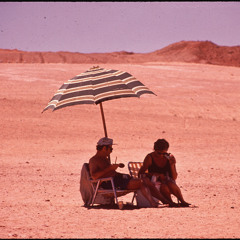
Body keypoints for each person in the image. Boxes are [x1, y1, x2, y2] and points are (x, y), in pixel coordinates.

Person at [89, 137, 174, 208]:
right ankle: (154, 203)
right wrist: (110, 168)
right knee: (141, 182)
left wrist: (114, 168)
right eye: (110, 149)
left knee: (145, 180)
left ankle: (163, 201)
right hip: (110, 183)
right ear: (104, 148)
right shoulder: (94, 160)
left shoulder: (104, 159)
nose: (111, 151)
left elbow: (107, 171)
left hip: (117, 180)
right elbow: (94, 177)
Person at [138, 138, 191, 207]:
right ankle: (170, 202)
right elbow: (140, 173)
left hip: (166, 180)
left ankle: (182, 201)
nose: (161, 155)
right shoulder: (150, 157)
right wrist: (155, 174)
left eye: (164, 153)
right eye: (159, 153)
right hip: (154, 180)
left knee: (170, 183)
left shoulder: (169, 158)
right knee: (164, 186)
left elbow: (174, 177)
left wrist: (172, 165)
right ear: (154, 150)